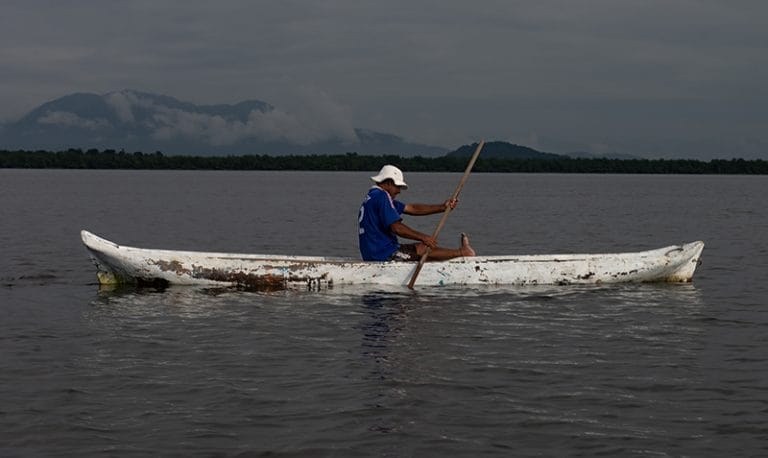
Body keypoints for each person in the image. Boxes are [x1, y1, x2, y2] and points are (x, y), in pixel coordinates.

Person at [358, 165, 476, 262]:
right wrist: (424, 237)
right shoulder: (382, 196)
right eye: (397, 186)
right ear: (388, 182)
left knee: (423, 247)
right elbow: (397, 228)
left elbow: (412, 208)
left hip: (378, 251)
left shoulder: (373, 196)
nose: (399, 191)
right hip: (382, 255)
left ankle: (461, 252)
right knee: (427, 250)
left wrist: (442, 207)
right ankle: (462, 253)